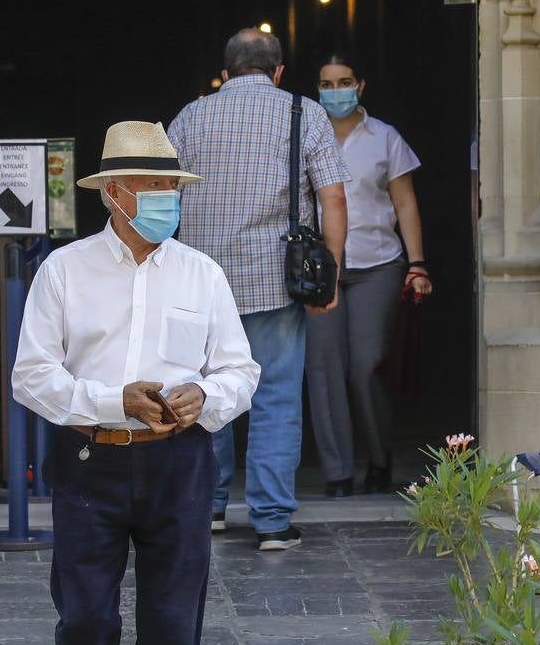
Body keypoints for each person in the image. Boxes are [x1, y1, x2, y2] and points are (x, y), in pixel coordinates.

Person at [11, 121, 260, 645]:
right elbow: (33, 376)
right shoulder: (65, 271)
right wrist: (108, 400)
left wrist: (202, 401)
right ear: (115, 194)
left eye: (172, 188)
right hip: (92, 461)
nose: (165, 200)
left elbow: (239, 370)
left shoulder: (201, 274)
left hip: (180, 464)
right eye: (152, 187)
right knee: (84, 620)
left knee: (173, 627)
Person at [169, 27, 350, 551]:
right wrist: (330, 272)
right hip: (276, 282)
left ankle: (210, 509)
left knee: (206, 396)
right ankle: (271, 521)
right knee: (274, 398)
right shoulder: (305, 113)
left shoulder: (190, 116)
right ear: (278, 72)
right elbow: (332, 199)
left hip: (199, 284)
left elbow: (161, 193)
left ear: (225, 73)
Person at [306, 53, 430, 497]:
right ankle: (337, 473)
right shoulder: (304, 135)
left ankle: (380, 460)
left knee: (365, 366)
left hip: (377, 264)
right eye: (325, 83)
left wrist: (416, 264)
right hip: (321, 269)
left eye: (342, 81)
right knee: (322, 369)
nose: (333, 90)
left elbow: (405, 204)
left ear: (360, 85)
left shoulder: (385, 138)